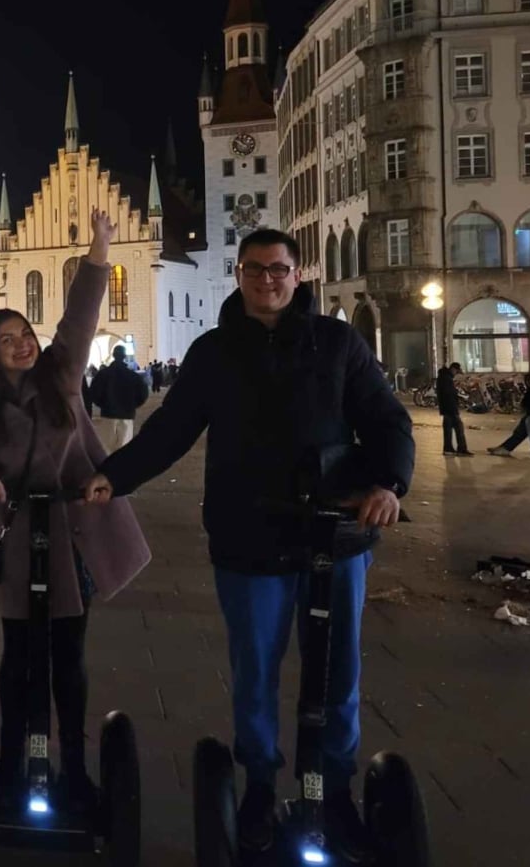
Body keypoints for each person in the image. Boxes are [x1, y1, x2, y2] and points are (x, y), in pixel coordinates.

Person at [83, 228, 413, 862]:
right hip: (249, 534)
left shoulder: (338, 342)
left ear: (297, 275)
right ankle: (260, 783)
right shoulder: (214, 353)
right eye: (257, 270)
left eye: (280, 269)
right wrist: (114, 476)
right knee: (256, 673)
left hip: (334, 534)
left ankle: (334, 789)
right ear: (239, 274)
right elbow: (171, 430)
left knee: (339, 671)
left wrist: (390, 483)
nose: (269, 280)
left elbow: (385, 418)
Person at [0, 208, 151, 810]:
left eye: (24, 336)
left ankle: (75, 766)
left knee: (68, 659)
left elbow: (80, 317)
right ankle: (12, 762)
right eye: (7, 339)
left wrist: (100, 247)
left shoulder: (61, 376)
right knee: (17, 660)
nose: (21, 344)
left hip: (69, 537)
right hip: (14, 537)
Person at [89, 344, 150, 453]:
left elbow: (93, 393)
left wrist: (104, 404)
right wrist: (132, 405)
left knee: (106, 449)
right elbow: (143, 394)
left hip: (108, 415)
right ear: (124, 356)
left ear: (113, 355)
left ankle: (106, 469)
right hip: (127, 415)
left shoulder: (102, 374)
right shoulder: (134, 376)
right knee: (124, 450)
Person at [488, 374, 530, 456]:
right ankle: (504, 447)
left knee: (521, 431)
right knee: (519, 431)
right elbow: (525, 404)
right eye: (528, 380)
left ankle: (506, 448)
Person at [436, 362, 472, 456]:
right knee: (459, 428)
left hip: (446, 408)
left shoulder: (444, 377)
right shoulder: (446, 378)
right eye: (456, 372)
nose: (456, 374)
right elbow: (448, 395)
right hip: (450, 408)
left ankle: (449, 449)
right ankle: (461, 449)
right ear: (453, 369)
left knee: (449, 429)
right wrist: (454, 406)